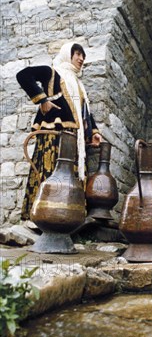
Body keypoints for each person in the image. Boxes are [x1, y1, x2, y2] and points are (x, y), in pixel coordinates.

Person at [17, 41, 102, 220]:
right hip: (53, 137)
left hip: (73, 140)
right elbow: (23, 75)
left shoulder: (79, 86)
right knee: (50, 174)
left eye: (83, 55)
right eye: (77, 53)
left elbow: (84, 111)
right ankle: (41, 217)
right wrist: (42, 100)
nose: (81, 58)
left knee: (70, 179)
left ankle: (67, 218)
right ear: (67, 54)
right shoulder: (52, 73)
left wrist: (93, 132)